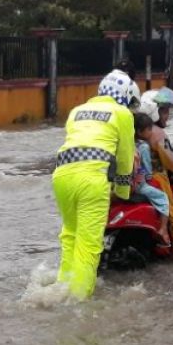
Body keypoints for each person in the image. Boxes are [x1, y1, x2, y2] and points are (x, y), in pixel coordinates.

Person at [53, 71, 136, 299]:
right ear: (125, 95)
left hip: (62, 177)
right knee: (89, 245)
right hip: (92, 179)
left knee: (70, 236)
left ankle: (61, 289)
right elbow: (125, 158)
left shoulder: (77, 111)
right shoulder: (123, 113)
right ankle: (78, 302)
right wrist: (122, 192)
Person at [137, 96, 173, 263]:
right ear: (155, 114)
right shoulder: (157, 133)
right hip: (157, 180)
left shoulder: (131, 134)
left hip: (134, 180)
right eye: (164, 111)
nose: (167, 115)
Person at [131, 112, 170, 244]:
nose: (151, 131)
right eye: (149, 129)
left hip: (125, 184)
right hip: (139, 186)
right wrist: (149, 179)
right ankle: (163, 229)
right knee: (163, 198)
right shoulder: (143, 146)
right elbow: (147, 171)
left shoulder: (128, 145)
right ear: (141, 131)